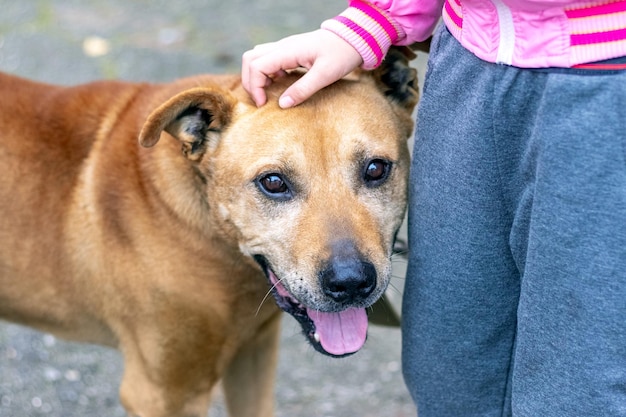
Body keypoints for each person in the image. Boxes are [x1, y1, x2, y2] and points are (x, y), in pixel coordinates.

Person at [241, 1, 626, 416]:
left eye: (374, 171)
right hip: (468, 60)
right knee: (449, 369)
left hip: (604, 79)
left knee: (578, 379)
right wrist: (379, 16)